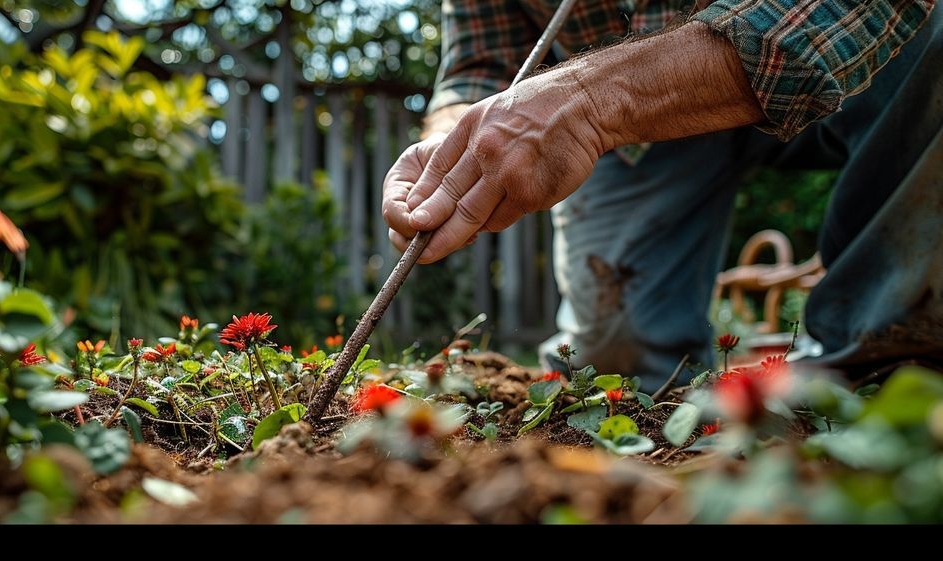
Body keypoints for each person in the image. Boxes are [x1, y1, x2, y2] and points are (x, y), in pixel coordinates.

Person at [382, 0, 942, 392]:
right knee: (613, 371)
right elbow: (481, 62)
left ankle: (885, 368)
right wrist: (451, 141)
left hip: (864, 59)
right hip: (638, 133)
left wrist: (587, 99)